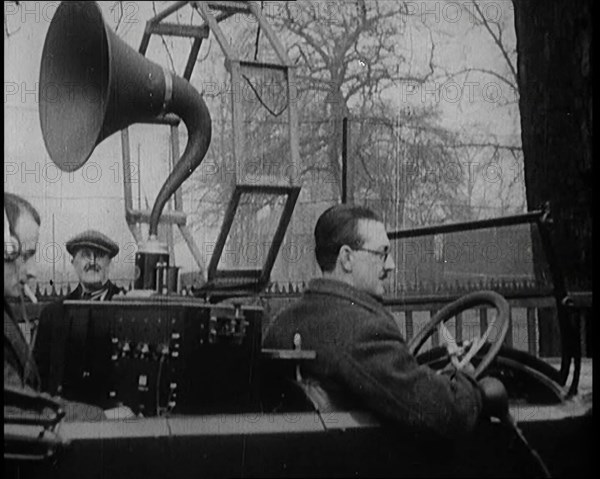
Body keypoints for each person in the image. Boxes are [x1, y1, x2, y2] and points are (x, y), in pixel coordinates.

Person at [264, 204, 504, 439]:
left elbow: (394, 385)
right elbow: (447, 413)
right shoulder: (362, 329)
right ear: (347, 258)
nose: (391, 265)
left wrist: (443, 376)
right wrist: (469, 382)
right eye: (382, 254)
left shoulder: (284, 321)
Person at [3, 193, 106, 421]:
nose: (33, 271)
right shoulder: (54, 313)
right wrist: (102, 418)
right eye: (26, 255)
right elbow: (20, 409)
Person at [63, 230, 126, 300]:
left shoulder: (127, 305)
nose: (92, 262)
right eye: (85, 255)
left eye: (99, 255)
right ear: (74, 263)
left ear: (109, 264)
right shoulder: (59, 308)